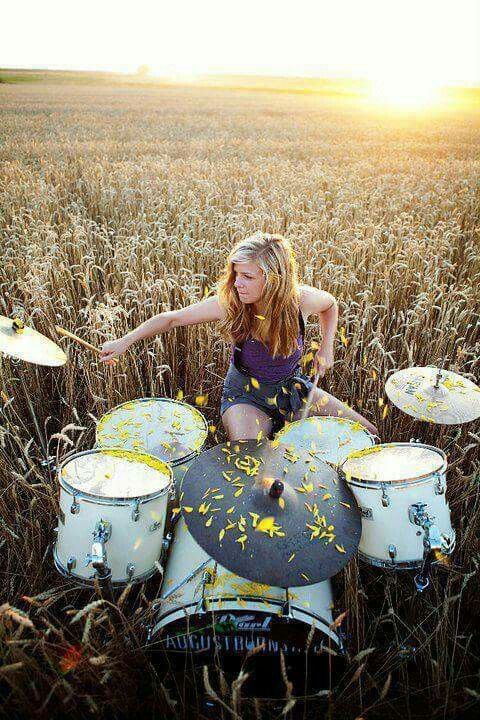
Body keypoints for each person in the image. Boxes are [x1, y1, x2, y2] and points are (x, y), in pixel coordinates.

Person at [99, 232, 378, 440]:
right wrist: (123, 342)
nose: (237, 284)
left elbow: (330, 306)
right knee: (251, 464)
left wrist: (326, 348)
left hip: (292, 389)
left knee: (367, 434)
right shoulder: (231, 303)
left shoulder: (301, 301)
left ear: (274, 278)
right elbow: (172, 319)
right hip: (246, 395)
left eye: (247, 276)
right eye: (235, 274)